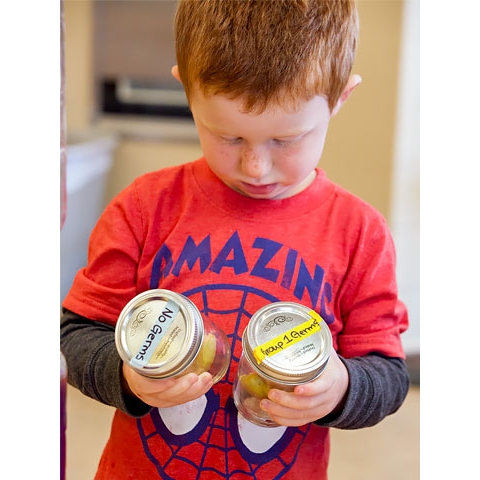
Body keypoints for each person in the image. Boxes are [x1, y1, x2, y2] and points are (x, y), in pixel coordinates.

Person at [60, 1, 410, 478]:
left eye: (285, 140)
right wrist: (126, 377)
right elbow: (78, 334)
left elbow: (388, 374)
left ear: (339, 98)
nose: (256, 167)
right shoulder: (143, 208)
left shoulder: (359, 233)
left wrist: (341, 386)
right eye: (227, 136)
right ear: (187, 89)